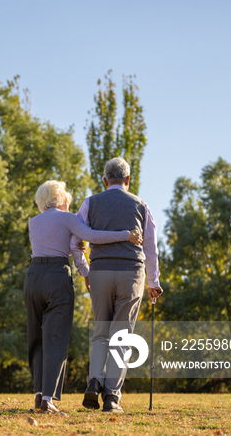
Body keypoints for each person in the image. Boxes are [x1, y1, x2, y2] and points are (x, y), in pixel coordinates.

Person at [25, 180, 142, 413]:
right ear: (60, 198)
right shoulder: (67, 218)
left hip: (32, 277)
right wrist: (126, 235)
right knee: (55, 339)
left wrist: (83, 265)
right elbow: (93, 236)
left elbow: (63, 245)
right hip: (56, 277)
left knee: (36, 339)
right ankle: (48, 400)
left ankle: (39, 395)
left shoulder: (33, 222)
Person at [69, 157, 163, 413]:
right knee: (121, 337)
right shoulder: (141, 205)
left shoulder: (90, 203)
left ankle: (94, 382)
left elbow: (75, 241)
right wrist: (153, 281)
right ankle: (111, 397)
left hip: (99, 272)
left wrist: (86, 271)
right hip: (131, 274)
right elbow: (150, 247)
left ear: (104, 180)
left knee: (101, 332)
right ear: (128, 180)